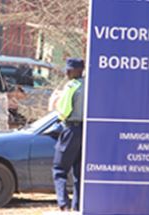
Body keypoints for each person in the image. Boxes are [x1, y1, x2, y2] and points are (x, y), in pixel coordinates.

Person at [52, 57, 86, 211]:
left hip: (71, 130)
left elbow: (64, 112)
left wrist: (56, 103)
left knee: (59, 169)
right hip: (85, 131)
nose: (66, 72)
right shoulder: (89, 86)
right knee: (79, 172)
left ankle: (63, 204)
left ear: (76, 71)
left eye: (69, 69)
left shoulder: (71, 86)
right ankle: (77, 206)